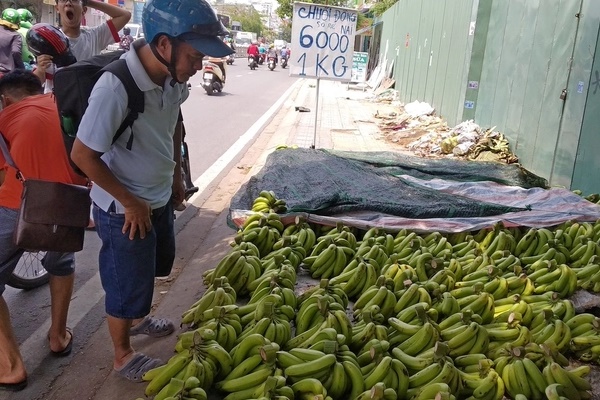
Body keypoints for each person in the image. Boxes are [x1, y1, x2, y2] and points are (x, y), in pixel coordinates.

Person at [70, 0, 234, 382]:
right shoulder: (116, 86)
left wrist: (177, 177)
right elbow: (83, 154)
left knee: (152, 268)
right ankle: (122, 355)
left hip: (157, 196)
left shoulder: (173, 78)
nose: (199, 67)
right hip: (122, 208)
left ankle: (139, 319)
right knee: (125, 282)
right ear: (164, 45)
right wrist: (130, 201)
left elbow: (175, 124)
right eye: (194, 56)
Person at [0, 70, 87, 392]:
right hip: (69, 203)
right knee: (61, 262)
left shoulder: (7, 116)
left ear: (6, 99)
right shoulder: (61, 104)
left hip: (17, 207)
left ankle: (10, 368)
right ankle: (58, 336)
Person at [33, 0, 131, 92]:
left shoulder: (94, 36)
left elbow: (125, 15)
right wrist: (41, 69)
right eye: (63, 0)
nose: (68, 3)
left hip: (87, 105)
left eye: (75, 0)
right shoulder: (50, 39)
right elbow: (33, 85)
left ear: (84, 10)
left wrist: (89, 2)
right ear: (57, 8)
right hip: (56, 106)